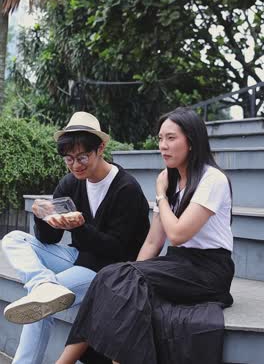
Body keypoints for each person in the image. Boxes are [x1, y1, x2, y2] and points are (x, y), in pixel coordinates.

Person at [55, 106, 234, 364]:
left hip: (208, 270)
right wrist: (127, 273)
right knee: (112, 276)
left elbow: (178, 234)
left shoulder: (211, 179)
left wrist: (161, 193)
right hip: (178, 264)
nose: (163, 146)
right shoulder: (171, 180)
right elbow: (153, 241)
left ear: (192, 141)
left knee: (124, 279)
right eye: (160, 138)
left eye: (171, 138)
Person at [2, 111, 150, 364]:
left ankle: (42, 290)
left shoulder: (126, 188)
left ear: (101, 148)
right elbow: (50, 238)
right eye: (69, 159)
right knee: (13, 239)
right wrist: (42, 216)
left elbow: (117, 249)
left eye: (82, 157)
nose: (75, 165)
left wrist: (80, 228)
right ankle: (42, 283)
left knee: (38, 305)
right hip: (79, 258)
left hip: (110, 271)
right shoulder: (69, 184)